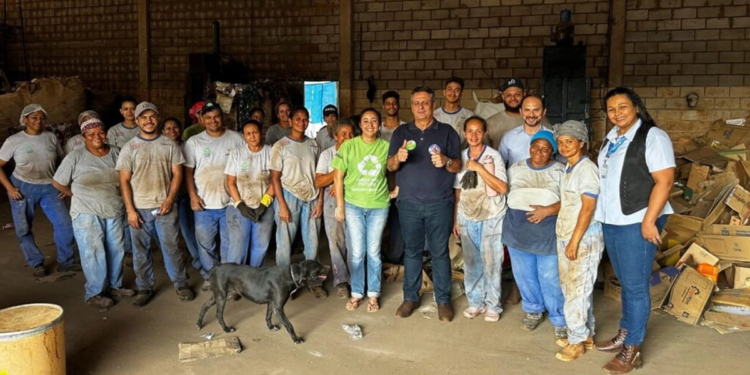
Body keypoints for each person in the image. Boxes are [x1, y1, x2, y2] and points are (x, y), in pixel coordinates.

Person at [594, 87, 675, 374]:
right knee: (627, 282)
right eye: (612, 109)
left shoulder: (652, 136)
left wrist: (649, 220)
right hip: (614, 219)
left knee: (636, 285)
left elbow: (664, 181)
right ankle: (625, 333)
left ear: (636, 107)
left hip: (638, 221)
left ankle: (633, 349)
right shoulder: (612, 138)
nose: (617, 113)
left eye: (622, 107)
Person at [387, 86, 462, 322]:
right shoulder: (401, 132)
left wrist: (446, 160)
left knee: (440, 252)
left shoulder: (447, 132)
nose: (421, 107)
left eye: (425, 103)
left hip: (440, 203)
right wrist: (396, 159)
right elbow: (389, 166)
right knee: (412, 252)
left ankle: (443, 300)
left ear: (432, 105)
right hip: (408, 203)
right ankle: (410, 297)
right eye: (417, 103)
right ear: (412, 106)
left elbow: (458, 165)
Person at [116, 102, 193, 306]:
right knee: (141, 250)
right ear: (137, 120)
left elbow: (178, 174)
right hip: (138, 208)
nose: (148, 121)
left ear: (158, 118)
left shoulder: (169, 144)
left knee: (172, 247)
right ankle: (145, 287)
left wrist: (169, 199)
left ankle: (180, 283)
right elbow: (123, 180)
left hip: (165, 207)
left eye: (152, 117)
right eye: (143, 117)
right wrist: (130, 210)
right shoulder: (130, 147)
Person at [52, 118, 135, 308]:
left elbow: (126, 179)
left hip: (114, 208)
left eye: (100, 132)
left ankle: (114, 286)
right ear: (84, 138)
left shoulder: (116, 152)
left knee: (116, 249)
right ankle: (94, 293)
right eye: (91, 134)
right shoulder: (76, 156)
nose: (97, 137)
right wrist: (75, 195)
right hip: (86, 212)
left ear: (105, 133)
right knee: (93, 251)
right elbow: (58, 182)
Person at [0, 104, 79, 277]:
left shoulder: (50, 137)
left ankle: (66, 261)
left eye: (42, 118)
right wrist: (10, 188)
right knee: (23, 228)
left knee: (65, 225)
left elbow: (61, 161)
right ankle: (36, 263)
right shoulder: (14, 141)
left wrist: (62, 184)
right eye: (34, 118)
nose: (38, 121)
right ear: (25, 120)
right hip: (22, 187)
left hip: (49, 186)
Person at [502, 130, 566, 339]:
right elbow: (504, 191)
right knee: (524, 275)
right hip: (518, 230)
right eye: (535, 147)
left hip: (546, 231)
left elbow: (572, 200)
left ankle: (559, 318)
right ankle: (533, 310)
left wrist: (547, 210)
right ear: (529, 147)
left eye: (545, 149)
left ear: (552, 152)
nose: (539, 152)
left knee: (550, 277)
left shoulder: (560, 170)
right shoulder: (516, 168)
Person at [552, 120, 604, 361]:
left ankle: (576, 342)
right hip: (567, 235)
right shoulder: (568, 167)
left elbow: (587, 208)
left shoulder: (587, 169)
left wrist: (574, 241)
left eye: (569, 142)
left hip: (583, 238)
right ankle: (586, 334)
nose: (563, 146)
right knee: (574, 289)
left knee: (576, 291)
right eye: (560, 142)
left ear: (581, 142)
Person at [333, 108, 390, 313]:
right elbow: (338, 177)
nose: (370, 124)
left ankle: (373, 294)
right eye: (365, 121)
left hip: (378, 206)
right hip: (354, 205)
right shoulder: (349, 146)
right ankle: (357, 292)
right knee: (357, 253)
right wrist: (340, 206)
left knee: (373, 252)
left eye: (374, 120)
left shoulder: (386, 146)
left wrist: (394, 191)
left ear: (379, 124)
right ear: (360, 125)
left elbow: (394, 168)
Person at [452, 116, 508, 323]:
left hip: (491, 215)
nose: (474, 135)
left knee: (492, 261)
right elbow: (458, 192)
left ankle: (493, 304)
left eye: (478, 131)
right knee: (472, 262)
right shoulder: (461, 157)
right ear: (464, 134)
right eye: (470, 131)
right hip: (467, 215)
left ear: (485, 133)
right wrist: (456, 220)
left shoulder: (494, 156)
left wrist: (481, 169)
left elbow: (502, 188)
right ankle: (476, 302)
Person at [184, 102, 245, 290]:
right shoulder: (194, 142)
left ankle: (226, 278)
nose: (213, 120)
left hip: (230, 202)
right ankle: (210, 276)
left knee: (229, 243)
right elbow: (188, 172)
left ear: (223, 117)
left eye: (216, 116)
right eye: (208, 117)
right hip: (204, 202)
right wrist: (193, 196)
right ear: (202, 119)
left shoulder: (236, 139)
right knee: (205, 243)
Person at [269, 107, 326, 298]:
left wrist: (319, 202)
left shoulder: (313, 145)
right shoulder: (281, 145)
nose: (302, 122)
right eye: (298, 118)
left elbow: (320, 176)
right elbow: (275, 178)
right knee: (284, 242)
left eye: (305, 119)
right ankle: (284, 283)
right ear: (290, 121)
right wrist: (282, 205)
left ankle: (313, 280)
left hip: (311, 196)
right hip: (288, 196)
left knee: (313, 240)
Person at [224, 120, 276, 268]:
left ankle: (254, 280)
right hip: (240, 207)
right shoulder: (237, 153)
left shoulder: (271, 152)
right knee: (237, 249)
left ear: (262, 133)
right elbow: (230, 182)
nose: (252, 136)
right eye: (248, 134)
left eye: (255, 132)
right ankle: (234, 284)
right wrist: (240, 205)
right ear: (243, 136)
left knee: (260, 247)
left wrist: (264, 202)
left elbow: (275, 181)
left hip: (264, 206)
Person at [161, 118, 204, 280]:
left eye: (175, 127)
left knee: (188, 230)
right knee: (168, 234)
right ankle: (172, 265)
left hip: (185, 195)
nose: (172, 131)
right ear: (163, 131)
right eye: (168, 128)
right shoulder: (161, 147)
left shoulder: (188, 146)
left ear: (181, 129)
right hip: (166, 196)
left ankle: (199, 262)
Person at [315, 120, 354, 299]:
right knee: (336, 242)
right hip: (332, 202)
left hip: (354, 199)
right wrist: (337, 175)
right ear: (335, 137)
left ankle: (356, 280)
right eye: (343, 134)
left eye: (351, 134)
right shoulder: (327, 155)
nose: (348, 137)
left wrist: (341, 183)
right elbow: (319, 182)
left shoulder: (358, 152)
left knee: (354, 243)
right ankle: (341, 281)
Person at [379, 90, 406, 264]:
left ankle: (395, 257)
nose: (391, 106)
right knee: (379, 220)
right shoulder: (377, 128)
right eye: (388, 103)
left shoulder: (405, 128)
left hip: (399, 180)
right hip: (379, 181)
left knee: (398, 220)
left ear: (398, 105)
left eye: (394, 103)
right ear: (383, 106)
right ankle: (379, 255)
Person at [499, 94, 550, 167]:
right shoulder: (508, 137)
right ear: (521, 111)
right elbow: (500, 165)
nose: (531, 115)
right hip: (515, 178)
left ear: (544, 112)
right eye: (527, 110)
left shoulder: (552, 137)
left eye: (536, 110)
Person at [433, 77, 475, 147]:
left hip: (462, 156)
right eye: (449, 89)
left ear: (461, 94)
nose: (452, 93)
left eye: (457, 90)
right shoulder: (434, 115)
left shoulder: (469, 116)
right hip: (439, 156)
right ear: (444, 92)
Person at [485, 78, 525, 149]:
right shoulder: (490, 122)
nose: (513, 98)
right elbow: (484, 151)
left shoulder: (536, 119)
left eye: (517, 94)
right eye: (508, 95)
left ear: (524, 94)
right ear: (503, 97)